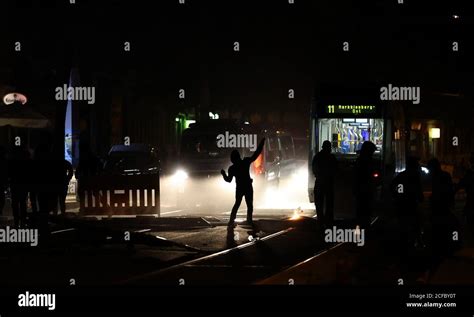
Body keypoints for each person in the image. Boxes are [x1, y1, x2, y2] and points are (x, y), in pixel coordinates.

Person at [221, 138, 265, 227]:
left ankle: (231, 221)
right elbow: (255, 154)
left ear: (232, 159)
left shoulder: (232, 168)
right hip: (248, 186)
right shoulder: (245, 162)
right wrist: (261, 144)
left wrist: (223, 174)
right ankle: (249, 220)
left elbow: (229, 180)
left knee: (237, 204)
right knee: (249, 205)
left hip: (240, 187)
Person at [391, 156, 424, 250]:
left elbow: (392, 185)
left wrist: (396, 195)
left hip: (402, 203)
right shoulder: (415, 175)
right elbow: (418, 189)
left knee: (403, 223)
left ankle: (404, 244)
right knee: (415, 223)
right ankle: (417, 243)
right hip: (411, 203)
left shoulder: (402, 175)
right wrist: (420, 198)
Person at [312, 140, 337, 226]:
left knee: (319, 203)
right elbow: (335, 170)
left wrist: (319, 176)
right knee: (329, 203)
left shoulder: (317, 156)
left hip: (320, 182)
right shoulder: (331, 157)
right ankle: (328, 220)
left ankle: (321, 220)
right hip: (328, 183)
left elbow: (314, 169)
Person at [353, 141, 377, 230]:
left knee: (361, 210)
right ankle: (365, 228)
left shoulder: (360, 160)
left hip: (361, 190)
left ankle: (361, 228)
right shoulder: (367, 161)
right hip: (365, 190)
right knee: (365, 210)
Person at [8, 146, 31, 228]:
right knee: (22, 203)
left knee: (15, 203)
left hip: (15, 184)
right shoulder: (25, 160)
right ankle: (22, 221)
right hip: (23, 184)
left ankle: (17, 221)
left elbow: (9, 172)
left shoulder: (13, 160)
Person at [456, 153, 474, 237]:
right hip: (470, 198)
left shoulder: (469, 173)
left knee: (468, 213)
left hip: (471, 199)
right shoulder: (469, 173)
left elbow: (462, 183)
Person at [0, 146, 7, 216]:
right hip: (2, 181)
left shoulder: (4, 161)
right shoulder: (4, 160)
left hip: (2, 181)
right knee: (2, 197)